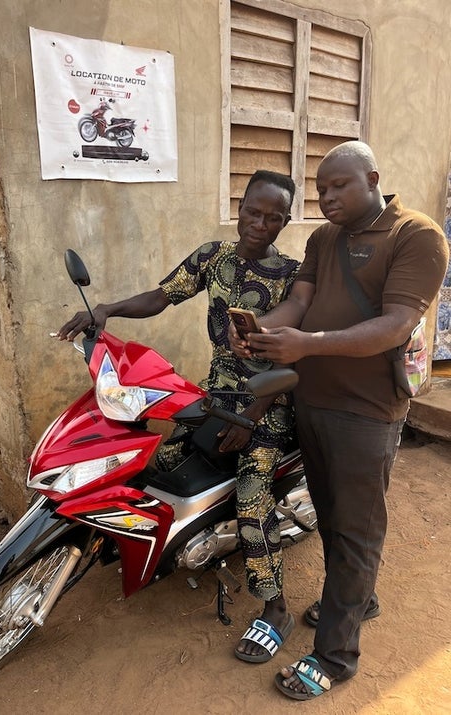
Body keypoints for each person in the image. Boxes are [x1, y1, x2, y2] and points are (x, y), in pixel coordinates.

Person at [230, 141, 449, 700]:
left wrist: (307, 344)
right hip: (313, 402)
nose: (326, 197)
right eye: (321, 188)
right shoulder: (323, 239)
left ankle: (335, 655)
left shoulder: (416, 235)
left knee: (356, 530)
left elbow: (396, 324)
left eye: (339, 186)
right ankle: (361, 599)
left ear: (372, 179)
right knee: (328, 516)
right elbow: (300, 304)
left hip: (367, 412)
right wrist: (261, 330)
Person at [58, 170, 301, 663]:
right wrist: (106, 309)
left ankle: (275, 608)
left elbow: (296, 358)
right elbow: (162, 296)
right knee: (159, 463)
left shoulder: (292, 278)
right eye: (253, 212)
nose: (260, 224)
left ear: (285, 221)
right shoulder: (213, 257)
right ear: (239, 207)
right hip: (216, 396)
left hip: (268, 405)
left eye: (273, 217)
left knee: (252, 498)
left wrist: (252, 415)